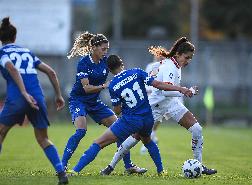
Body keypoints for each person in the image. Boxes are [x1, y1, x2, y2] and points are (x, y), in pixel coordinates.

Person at [101, 37, 217, 175]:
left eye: (190, 58)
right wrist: (185, 90)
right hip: (154, 107)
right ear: (178, 54)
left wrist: (182, 91)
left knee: (197, 129)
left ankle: (199, 165)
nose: (188, 61)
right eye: (187, 57)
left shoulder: (174, 64)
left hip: (171, 104)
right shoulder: (170, 66)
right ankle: (111, 166)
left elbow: (168, 92)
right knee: (135, 137)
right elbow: (165, 91)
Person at [67, 54, 194, 175]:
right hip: (148, 118)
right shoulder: (137, 72)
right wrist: (180, 89)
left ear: (109, 70)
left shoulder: (113, 85)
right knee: (148, 141)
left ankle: (75, 170)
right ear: (122, 63)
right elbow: (159, 85)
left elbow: (117, 111)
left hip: (131, 120)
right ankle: (161, 171)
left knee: (98, 143)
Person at [62, 31, 146, 174]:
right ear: (94, 47)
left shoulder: (105, 61)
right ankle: (62, 165)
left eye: (107, 49)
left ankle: (128, 166)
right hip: (79, 101)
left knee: (120, 129)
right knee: (81, 131)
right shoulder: (83, 63)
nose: (106, 51)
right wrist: (104, 86)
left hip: (94, 102)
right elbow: (87, 88)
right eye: (103, 49)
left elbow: (120, 75)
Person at [0, 17, 68, 185]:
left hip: (17, 98)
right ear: (15, 37)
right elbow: (51, 72)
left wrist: (23, 92)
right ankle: (61, 173)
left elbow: (12, 68)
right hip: (37, 98)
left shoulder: (3, 53)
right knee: (43, 138)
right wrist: (59, 95)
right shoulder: (27, 53)